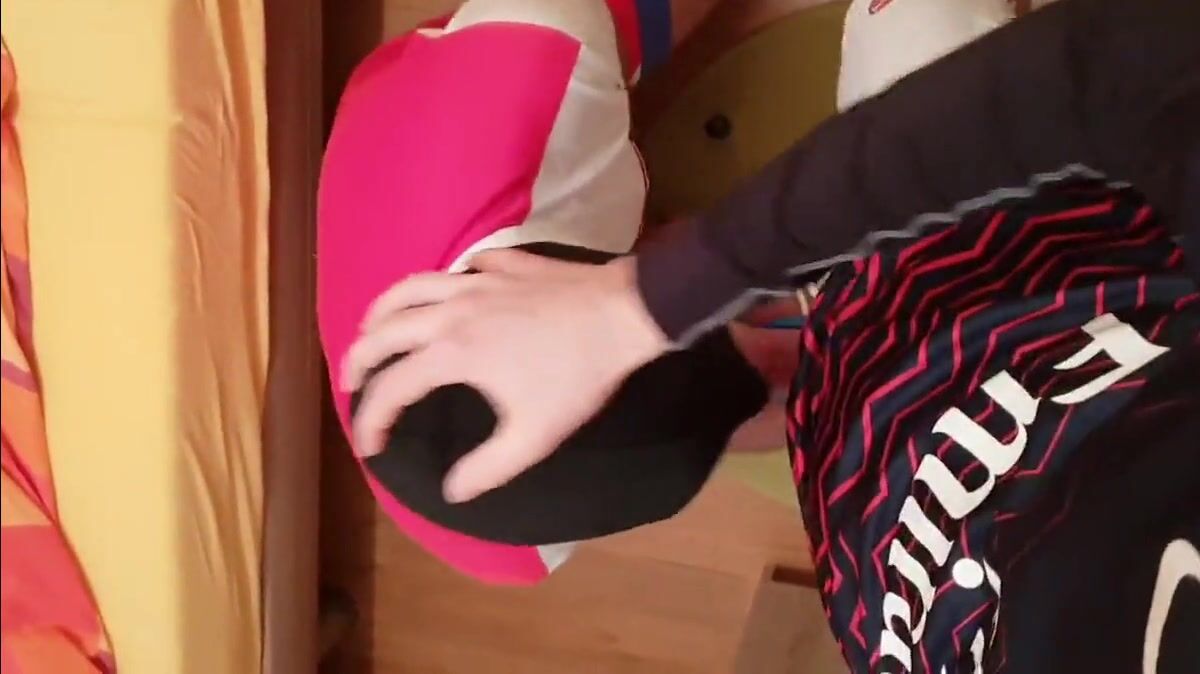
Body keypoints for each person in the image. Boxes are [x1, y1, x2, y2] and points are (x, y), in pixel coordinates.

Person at [342, 0, 1198, 670]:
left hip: (913, 347)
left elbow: (1114, 67)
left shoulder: (533, 68)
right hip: (968, 284)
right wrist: (652, 304)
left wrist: (653, 303)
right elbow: (1121, 69)